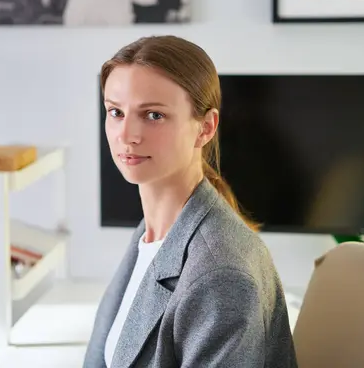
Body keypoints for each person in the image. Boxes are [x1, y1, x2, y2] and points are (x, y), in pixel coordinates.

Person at [83, 35, 298, 368]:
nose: (126, 135)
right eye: (116, 112)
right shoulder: (151, 235)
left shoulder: (221, 275)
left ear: (205, 128)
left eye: (153, 115)